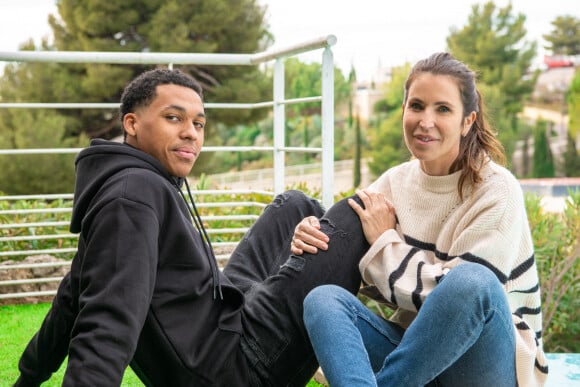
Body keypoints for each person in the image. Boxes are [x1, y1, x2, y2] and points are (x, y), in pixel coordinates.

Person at [14, 68, 373, 386]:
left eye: (198, 124)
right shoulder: (132, 196)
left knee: (296, 206)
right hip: (236, 369)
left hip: (225, 324)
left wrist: (28, 378)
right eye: (174, 118)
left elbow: (70, 295)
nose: (191, 134)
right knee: (353, 216)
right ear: (132, 124)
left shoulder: (130, 188)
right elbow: (108, 321)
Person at [293, 52, 549, 386]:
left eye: (442, 109)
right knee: (324, 301)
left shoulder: (497, 191)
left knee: (472, 282)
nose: (425, 121)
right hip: (413, 360)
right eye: (416, 106)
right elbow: (349, 249)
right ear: (403, 111)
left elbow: (455, 301)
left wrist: (385, 245)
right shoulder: (394, 182)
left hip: (486, 364)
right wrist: (311, 233)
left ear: (467, 121)